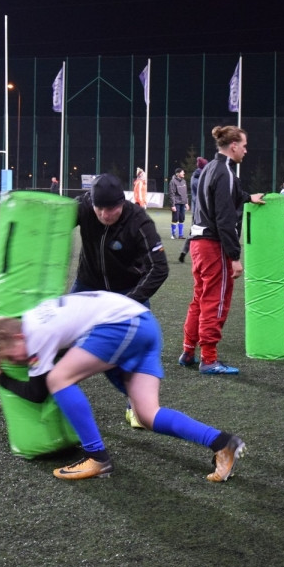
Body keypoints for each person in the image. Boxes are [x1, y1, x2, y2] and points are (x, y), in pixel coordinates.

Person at [0, 291, 246, 482]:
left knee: (57, 379)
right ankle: (221, 442)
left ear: (17, 336)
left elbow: (38, 393)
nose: (20, 361)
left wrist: (1, 378)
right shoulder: (37, 319)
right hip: (142, 324)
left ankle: (97, 457)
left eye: (13, 356)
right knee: (147, 414)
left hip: (122, 324)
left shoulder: (35, 333)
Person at [71, 173, 169, 429]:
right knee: (62, 339)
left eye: (111, 208)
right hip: (87, 286)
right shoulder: (82, 207)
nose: (104, 214)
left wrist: (130, 301)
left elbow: (159, 268)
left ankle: (135, 406)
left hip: (127, 292)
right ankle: (53, 399)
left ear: (122, 203)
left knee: (134, 351)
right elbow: (52, 225)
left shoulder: (139, 222)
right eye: (99, 208)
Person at [181, 125, 265, 375]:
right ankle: (209, 359)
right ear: (234, 146)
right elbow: (225, 219)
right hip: (212, 245)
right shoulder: (226, 172)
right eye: (245, 145)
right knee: (215, 301)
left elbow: (230, 196)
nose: (246, 151)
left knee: (199, 298)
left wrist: (249, 197)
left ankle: (188, 351)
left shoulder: (208, 168)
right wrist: (235, 257)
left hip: (197, 243)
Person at [179, 157, 208, 263]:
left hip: (196, 209)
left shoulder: (194, 177)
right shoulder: (203, 178)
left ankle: (184, 252)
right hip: (202, 210)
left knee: (194, 232)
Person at [168, 167, 189, 240]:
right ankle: (173, 234)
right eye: (182, 172)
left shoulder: (184, 181)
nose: (184, 173)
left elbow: (185, 193)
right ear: (178, 174)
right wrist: (173, 205)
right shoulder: (173, 182)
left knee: (182, 218)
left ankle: (181, 235)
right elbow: (171, 194)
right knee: (175, 218)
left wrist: (186, 203)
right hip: (176, 203)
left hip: (183, 203)